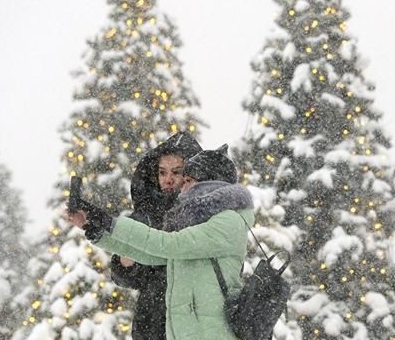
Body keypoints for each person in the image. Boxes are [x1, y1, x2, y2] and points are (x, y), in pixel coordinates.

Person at [66, 145, 254, 340]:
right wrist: (96, 231)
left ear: (208, 184)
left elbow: (169, 245)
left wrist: (110, 222)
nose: (182, 187)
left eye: (188, 180)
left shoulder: (228, 221)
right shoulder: (193, 223)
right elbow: (153, 255)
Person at [111, 131, 202, 340]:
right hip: (151, 322)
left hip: (195, 321)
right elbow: (120, 273)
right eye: (162, 172)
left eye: (176, 172)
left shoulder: (205, 213)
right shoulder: (145, 214)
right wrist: (127, 260)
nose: (168, 180)